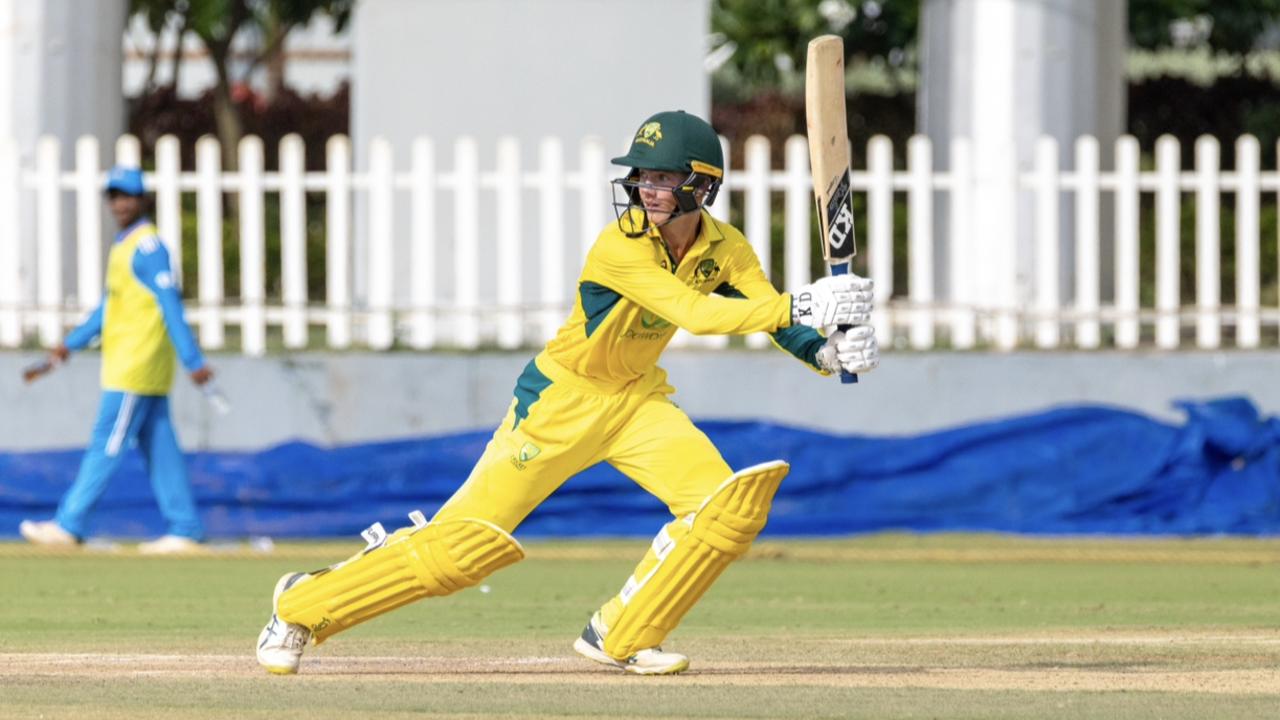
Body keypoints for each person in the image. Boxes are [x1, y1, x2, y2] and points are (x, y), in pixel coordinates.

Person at [255, 110, 878, 675]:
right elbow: (695, 313)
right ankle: (302, 606)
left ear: (701, 186)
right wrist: (802, 301)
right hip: (559, 402)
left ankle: (623, 634)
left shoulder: (726, 248)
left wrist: (822, 350)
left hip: (636, 402)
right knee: (460, 551)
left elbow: (761, 310)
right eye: (640, 177)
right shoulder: (618, 248)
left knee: (725, 510)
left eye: (661, 179)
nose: (644, 190)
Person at [19, 166, 214, 555]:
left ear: (143, 199)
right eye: (114, 196)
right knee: (160, 447)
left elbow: (169, 305)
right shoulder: (126, 246)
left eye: (127, 196)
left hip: (134, 367)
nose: (120, 204)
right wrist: (69, 345)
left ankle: (69, 523)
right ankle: (185, 527)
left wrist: (192, 358)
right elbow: (110, 307)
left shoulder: (148, 248)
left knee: (105, 444)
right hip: (134, 367)